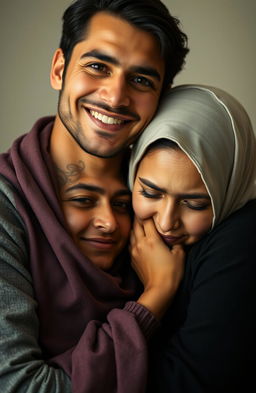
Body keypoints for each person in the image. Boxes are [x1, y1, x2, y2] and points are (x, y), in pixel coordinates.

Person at [0, 0, 189, 392]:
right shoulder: (7, 204)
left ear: (160, 97)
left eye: (140, 80)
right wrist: (152, 301)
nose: (115, 97)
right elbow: (19, 384)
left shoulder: (168, 205)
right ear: (59, 69)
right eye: (98, 67)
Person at [128, 84, 256, 392]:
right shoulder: (119, 227)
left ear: (229, 186)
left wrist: (160, 288)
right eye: (150, 192)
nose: (166, 221)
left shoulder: (243, 242)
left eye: (194, 203)